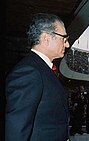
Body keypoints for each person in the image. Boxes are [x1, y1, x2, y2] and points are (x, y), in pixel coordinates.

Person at [5, 13, 70, 141]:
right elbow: (17, 127)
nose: (67, 45)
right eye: (64, 39)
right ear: (46, 38)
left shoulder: (41, 68)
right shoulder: (29, 72)